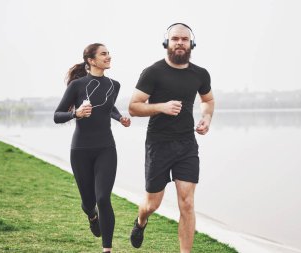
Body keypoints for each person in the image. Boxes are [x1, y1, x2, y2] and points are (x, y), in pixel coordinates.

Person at [128, 23, 214, 252]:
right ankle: (140, 221)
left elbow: (208, 100)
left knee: (187, 203)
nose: (180, 43)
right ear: (167, 43)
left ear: (191, 44)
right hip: (159, 143)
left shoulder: (200, 74)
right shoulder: (153, 72)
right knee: (152, 204)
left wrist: (206, 118)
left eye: (184, 39)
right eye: (175, 38)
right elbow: (134, 107)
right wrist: (161, 107)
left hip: (187, 144)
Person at [54, 43, 131, 253]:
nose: (109, 57)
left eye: (109, 53)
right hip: (80, 150)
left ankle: (107, 249)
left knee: (103, 197)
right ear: (91, 60)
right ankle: (91, 214)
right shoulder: (77, 86)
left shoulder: (115, 85)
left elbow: (109, 107)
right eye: (103, 54)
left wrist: (120, 117)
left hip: (106, 148)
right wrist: (76, 114)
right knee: (89, 202)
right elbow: (57, 115)